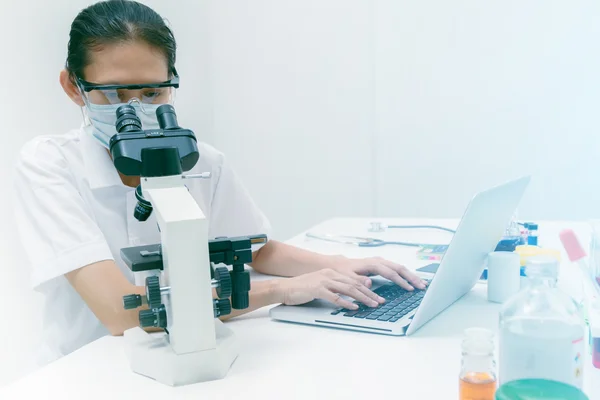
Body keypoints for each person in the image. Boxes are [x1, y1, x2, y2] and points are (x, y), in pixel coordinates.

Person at [12, 0, 426, 366]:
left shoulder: (203, 159)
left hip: (192, 352)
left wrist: (338, 265)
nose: (135, 109)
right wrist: (282, 291)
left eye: (154, 92)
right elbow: (120, 312)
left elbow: (256, 249)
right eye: (117, 93)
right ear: (73, 86)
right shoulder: (49, 165)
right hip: (89, 367)